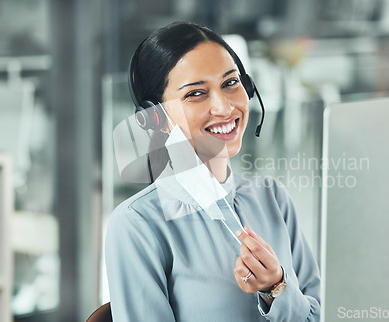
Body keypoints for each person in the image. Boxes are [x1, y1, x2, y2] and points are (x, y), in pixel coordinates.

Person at [105, 21, 320, 322]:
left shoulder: (271, 197)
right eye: (196, 94)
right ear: (155, 117)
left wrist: (276, 288)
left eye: (231, 83)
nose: (223, 107)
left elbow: (319, 315)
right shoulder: (137, 224)